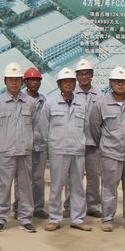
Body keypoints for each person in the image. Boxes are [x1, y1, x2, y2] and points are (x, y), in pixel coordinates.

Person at [90, 66, 125, 232]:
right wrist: (106, 144)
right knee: (109, 187)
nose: (120, 84)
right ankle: (107, 219)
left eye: (123, 82)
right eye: (117, 82)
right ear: (110, 83)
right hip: (110, 154)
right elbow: (95, 127)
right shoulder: (101, 104)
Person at [0, 62, 38, 233]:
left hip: (24, 151)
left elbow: (35, 124)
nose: (14, 83)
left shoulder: (30, 103)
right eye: (10, 79)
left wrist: (26, 140)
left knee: (25, 186)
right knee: (3, 186)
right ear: (5, 81)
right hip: (5, 151)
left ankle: (25, 219)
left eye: (17, 79)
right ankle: (0, 218)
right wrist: (4, 139)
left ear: (22, 81)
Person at [43, 68, 92, 232]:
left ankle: (78, 219)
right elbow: (43, 127)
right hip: (58, 150)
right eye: (65, 82)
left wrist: (82, 142)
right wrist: (51, 144)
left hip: (77, 150)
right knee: (56, 186)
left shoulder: (82, 103)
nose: (68, 84)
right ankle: (54, 219)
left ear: (74, 83)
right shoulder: (50, 103)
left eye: (71, 81)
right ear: (59, 84)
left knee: (77, 186)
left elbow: (87, 126)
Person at [67, 58, 103, 218]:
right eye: (81, 74)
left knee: (94, 176)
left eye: (87, 73)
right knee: (73, 176)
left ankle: (93, 206)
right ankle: (70, 205)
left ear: (92, 75)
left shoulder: (100, 95)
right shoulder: (71, 94)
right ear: (76, 76)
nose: (84, 77)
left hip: (93, 143)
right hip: (75, 142)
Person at [14, 67, 48, 220]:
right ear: (26, 82)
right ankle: (19, 207)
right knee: (21, 178)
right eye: (31, 80)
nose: (34, 82)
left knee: (38, 178)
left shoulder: (44, 100)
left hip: (40, 144)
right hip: (24, 145)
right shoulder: (20, 100)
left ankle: (38, 207)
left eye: (37, 80)